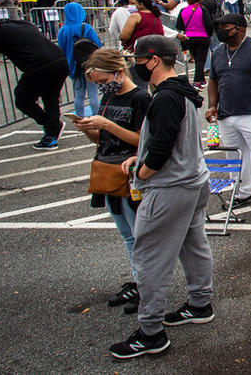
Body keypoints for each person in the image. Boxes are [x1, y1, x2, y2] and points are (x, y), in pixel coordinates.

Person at [109, 35, 214, 359]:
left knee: (150, 257)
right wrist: (141, 159)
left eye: (137, 60)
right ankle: (200, 303)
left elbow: (162, 147)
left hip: (171, 188)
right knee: (193, 244)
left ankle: (151, 332)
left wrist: (142, 172)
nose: (135, 66)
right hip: (194, 180)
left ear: (153, 60)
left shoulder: (166, 97)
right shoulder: (185, 92)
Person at [75, 47, 152, 313]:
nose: (101, 88)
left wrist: (108, 126)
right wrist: (90, 130)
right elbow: (102, 139)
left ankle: (147, 287)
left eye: (103, 82)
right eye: (97, 84)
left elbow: (144, 141)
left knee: (138, 235)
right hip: (107, 170)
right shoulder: (110, 99)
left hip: (130, 174)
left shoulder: (140, 98)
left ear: (118, 72)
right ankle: (138, 281)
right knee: (127, 234)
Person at [205, 13, 251, 211]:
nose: (221, 31)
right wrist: (212, 105)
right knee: (235, 157)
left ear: (241, 28)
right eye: (219, 27)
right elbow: (213, 80)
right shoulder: (219, 52)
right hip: (227, 114)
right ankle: (242, 192)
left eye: (226, 27)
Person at [0, 18, 68, 149]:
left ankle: (51, 126)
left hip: (39, 66)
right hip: (59, 61)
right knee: (50, 98)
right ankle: (51, 134)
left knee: (23, 99)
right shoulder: (23, 24)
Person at [57, 1, 102, 117]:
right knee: (93, 93)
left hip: (72, 64)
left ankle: (80, 118)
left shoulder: (62, 30)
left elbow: (61, 48)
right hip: (89, 63)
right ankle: (96, 116)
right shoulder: (86, 27)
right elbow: (96, 44)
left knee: (78, 94)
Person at [175, 0, 214, 89]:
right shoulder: (202, 10)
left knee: (197, 59)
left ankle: (201, 79)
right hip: (202, 36)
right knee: (201, 60)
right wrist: (209, 34)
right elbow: (208, 24)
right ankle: (197, 81)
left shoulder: (183, 10)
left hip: (188, 37)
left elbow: (179, 25)